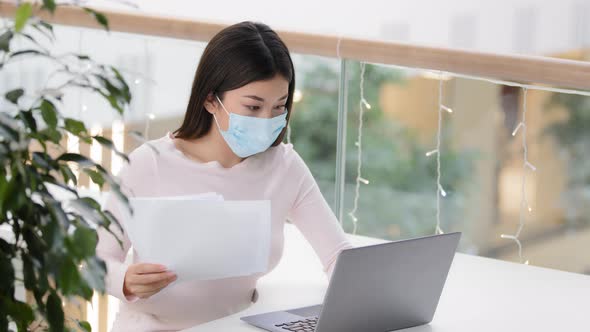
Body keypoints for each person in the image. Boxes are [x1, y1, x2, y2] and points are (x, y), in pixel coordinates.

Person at [96, 21, 352, 331]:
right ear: (210, 100)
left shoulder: (285, 167)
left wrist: (368, 297)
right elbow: (96, 263)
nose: (267, 119)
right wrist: (125, 280)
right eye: (253, 106)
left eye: (279, 106)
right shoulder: (148, 164)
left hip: (237, 326)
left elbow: (338, 254)